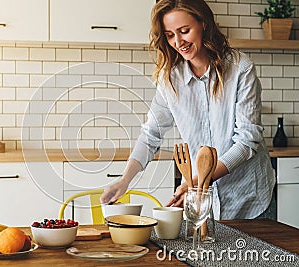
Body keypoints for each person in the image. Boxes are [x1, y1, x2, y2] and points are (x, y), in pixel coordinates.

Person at [100, 0, 276, 220]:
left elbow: (247, 141)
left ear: (203, 23)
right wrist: (124, 180)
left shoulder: (240, 69)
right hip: (201, 200)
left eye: (184, 31)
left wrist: (196, 181)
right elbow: (150, 134)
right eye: (170, 35)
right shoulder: (169, 80)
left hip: (248, 199)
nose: (178, 42)